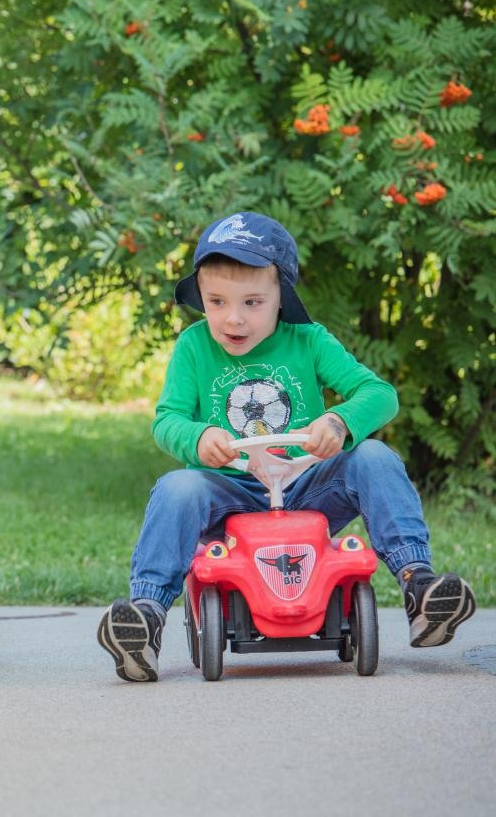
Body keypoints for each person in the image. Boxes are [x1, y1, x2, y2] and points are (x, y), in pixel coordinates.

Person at [97, 211, 476, 682]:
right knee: (177, 488)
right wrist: (198, 437)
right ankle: (147, 614)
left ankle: (418, 583)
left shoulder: (309, 341)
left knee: (375, 457)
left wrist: (339, 421)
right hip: (231, 491)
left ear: (282, 298)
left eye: (252, 302)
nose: (233, 318)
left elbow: (380, 394)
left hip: (306, 487)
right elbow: (167, 419)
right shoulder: (194, 347)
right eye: (216, 301)